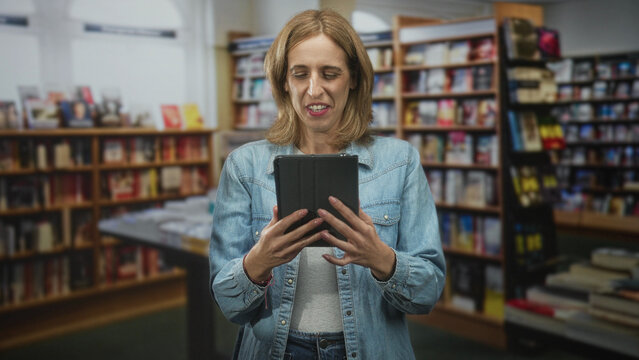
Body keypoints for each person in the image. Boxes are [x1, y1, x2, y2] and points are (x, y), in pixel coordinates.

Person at [210, 9, 445, 360]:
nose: (313, 89)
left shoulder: (400, 161)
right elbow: (229, 303)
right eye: (300, 73)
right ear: (283, 81)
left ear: (353, 78)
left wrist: (381, 259)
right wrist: (258, 262)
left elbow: (428, 291)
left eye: (330, 73)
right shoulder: (244, 165)